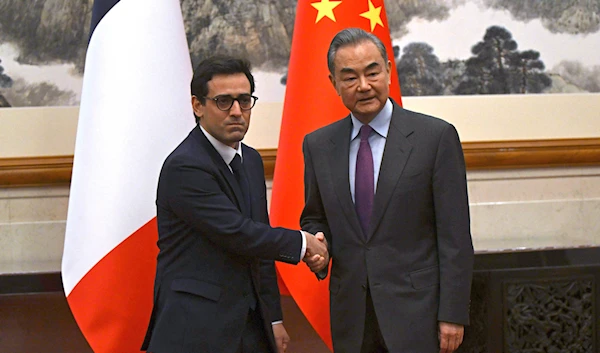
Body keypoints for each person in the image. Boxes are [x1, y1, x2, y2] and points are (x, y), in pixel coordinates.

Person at [301, 28, 474, 353]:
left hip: (418, 314)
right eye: (349, 77)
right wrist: (318, 244)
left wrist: (453, 313)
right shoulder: (318, 145)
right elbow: (315, 217)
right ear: (333, 83)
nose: (363, 86)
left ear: (389, 72)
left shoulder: (434, 138)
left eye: (372, 72)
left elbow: (455, 238)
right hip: (351, 315)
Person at [141, 55, 328, 353]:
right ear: (197, 105)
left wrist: (274, 319)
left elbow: (259, 243)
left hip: (251, 326)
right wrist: (304, 245)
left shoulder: (251, 160)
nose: (237, 112)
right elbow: (239, 233)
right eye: (224, 102)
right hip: (195, 329)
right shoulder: (185, 166)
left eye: (244, 100)